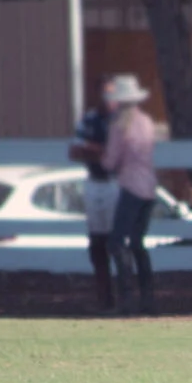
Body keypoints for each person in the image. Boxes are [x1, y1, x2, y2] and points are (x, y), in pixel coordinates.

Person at [103, 73, 160, 314]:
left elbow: (110, 161)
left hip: (131, 187)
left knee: (117, 242)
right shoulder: (146, 123)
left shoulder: (119, 127)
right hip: (149, 187)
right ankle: (148, 297)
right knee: (137, 243)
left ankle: (127, 297)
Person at [68, 78, 118, 311]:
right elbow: (75, 151)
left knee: (117, 241)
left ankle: (123, 294)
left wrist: (94, 149)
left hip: (116, 183)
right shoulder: (90, 119)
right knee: (97, 242)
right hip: (94, 181)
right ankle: (103, 295)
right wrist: (101, 150)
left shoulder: (123, 121)